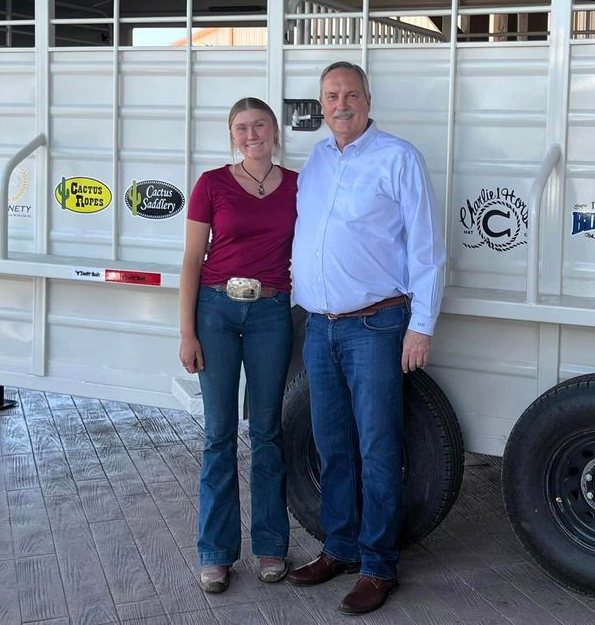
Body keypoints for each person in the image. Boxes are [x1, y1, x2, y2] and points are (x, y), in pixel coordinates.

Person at [287, 61, 445, 615]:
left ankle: (378, 565)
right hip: (320, 326)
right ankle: (340, 546)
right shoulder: (316, 159)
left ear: (368, 100)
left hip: (377, 325)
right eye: (332, 96)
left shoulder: (398, 158)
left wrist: (421, 325)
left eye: (350, 94)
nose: (341, 104)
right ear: (321, 104)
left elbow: (426, 249)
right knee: (332, 445)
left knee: (378, 446)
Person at [178, 97, 297, 593]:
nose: (252, 134)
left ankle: (271, 547)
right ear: (232, 136)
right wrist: (187, 331)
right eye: (242, 128)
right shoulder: (212, 184)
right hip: (216, 311)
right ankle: (216, 552)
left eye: (260, 125)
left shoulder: (297, 185)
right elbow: (190, 259)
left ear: (274, 131)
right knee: (219, 434)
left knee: (268, 431)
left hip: (272, 311)